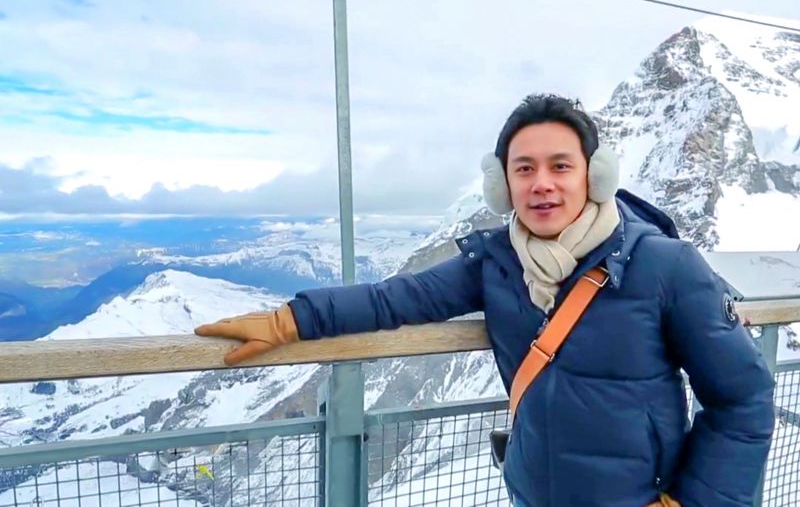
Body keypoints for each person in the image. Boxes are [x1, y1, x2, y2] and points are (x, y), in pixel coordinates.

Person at [195, 93, 775, 506]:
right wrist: (290, 319)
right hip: (529, 493)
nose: (541, 182)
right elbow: (397, 298)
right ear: (503, 185)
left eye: (560, 166)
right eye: (524, 169)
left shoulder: (666, 266)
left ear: (594, 176)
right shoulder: (497, 263)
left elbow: (742, 400)